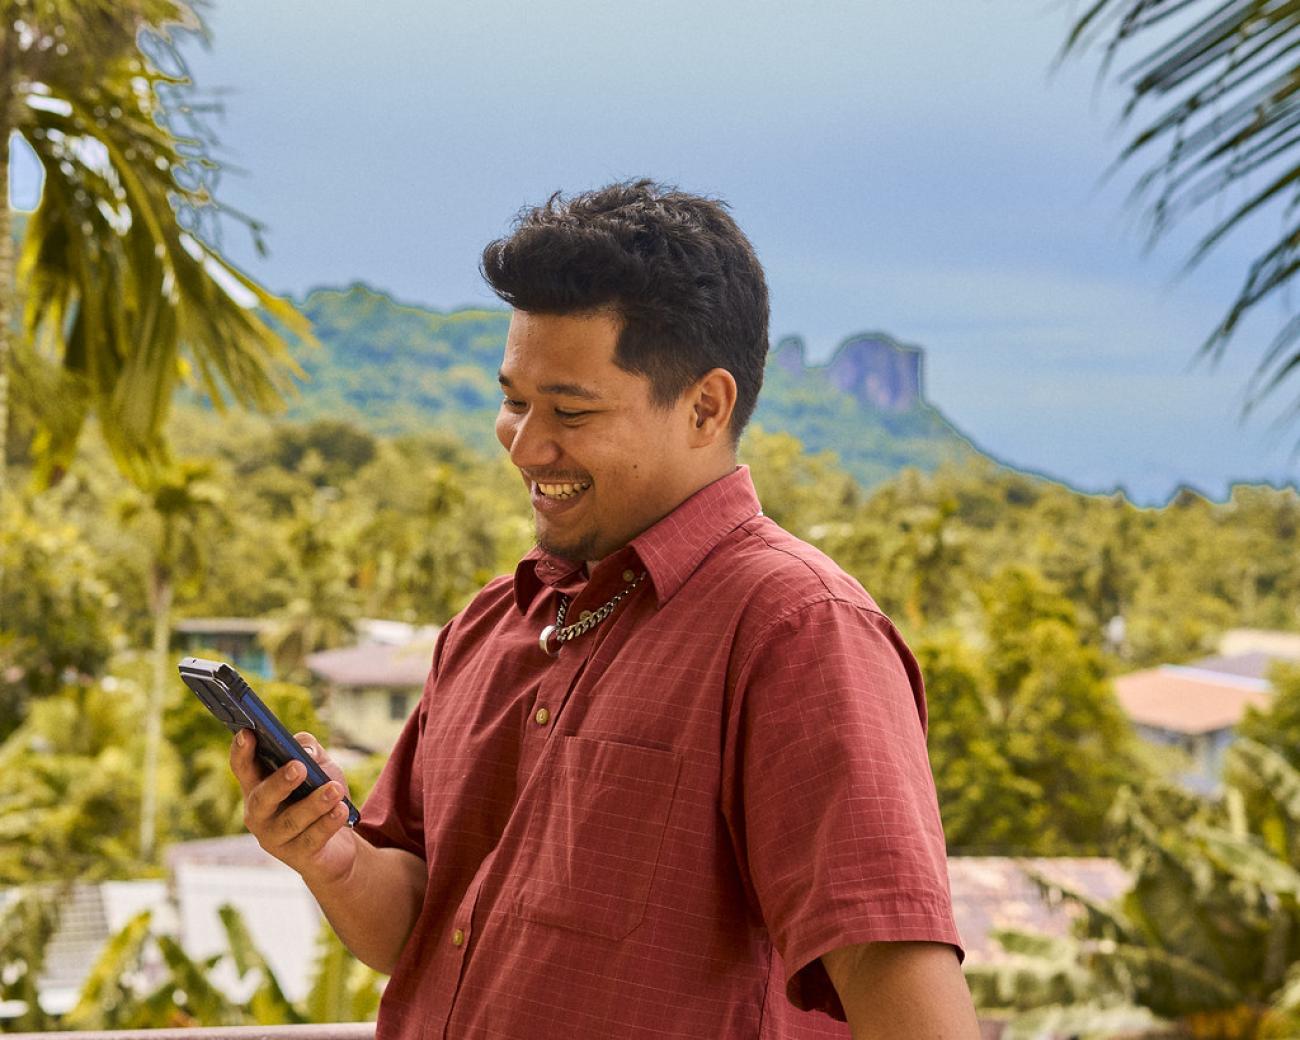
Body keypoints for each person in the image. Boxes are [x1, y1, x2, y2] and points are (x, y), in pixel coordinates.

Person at [231, 180, 980, 1039]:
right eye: (515, 401)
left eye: (571, 412)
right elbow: (417, 925)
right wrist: (328, 857)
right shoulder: (490, 623)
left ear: (705, 407)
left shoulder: (796, 630)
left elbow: (898, 982)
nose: (525, 443)